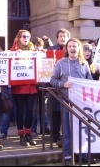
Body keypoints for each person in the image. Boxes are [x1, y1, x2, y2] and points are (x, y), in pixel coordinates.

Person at [50, 38, 96, 166]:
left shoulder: (84, 64)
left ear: (78, 48)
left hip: (82, 104)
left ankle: (83, 154)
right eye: (70, 46)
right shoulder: (60, 63)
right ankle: (68, 156)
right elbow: (52, 80)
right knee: (67, 131)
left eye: (75, 46)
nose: (72, 49)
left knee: (82, 130)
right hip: (66, 103)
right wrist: (63, 84)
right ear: (66, 49)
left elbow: (90, 82)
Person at [10, 29, 38, 146]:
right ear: (19, 38)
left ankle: (28, 133)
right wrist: (16, 54)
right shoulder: (13, 50)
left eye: (28, 36)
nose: (26, 39)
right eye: (24, 36)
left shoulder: (34, 50)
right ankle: (21, 135)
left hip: (31, 87)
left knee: (30, 111)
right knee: (20, 111)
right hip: (19, 87)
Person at [47, 28, 71, 147]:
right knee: (55, 113)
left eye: (64, 36)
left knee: (66, 114)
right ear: (57, 38)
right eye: (61, 36)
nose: (63, 38)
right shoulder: (50, 50)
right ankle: (55, 136)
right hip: (55, 87)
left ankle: (65, 136)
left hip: (68, 89)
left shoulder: (71, 49)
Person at [31, 37, 50, 137]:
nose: (39, 48)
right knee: (34, 109)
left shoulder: (45, 54)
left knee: (44, 108)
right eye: (37, 45)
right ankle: (33, 128)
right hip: (34, 86)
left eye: (40, 45)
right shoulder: (29, 54)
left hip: (43, 85)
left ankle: (44, 127)